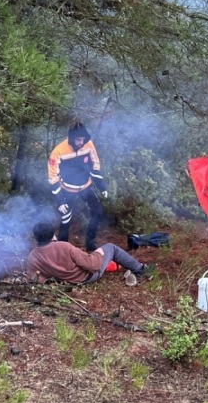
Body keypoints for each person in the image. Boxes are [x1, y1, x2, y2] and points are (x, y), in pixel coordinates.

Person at [27, 221, 155, 286]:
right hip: (86, 277)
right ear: (52, 235)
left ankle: (131, 268)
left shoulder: (33, 256)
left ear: (36, 237)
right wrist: (98, 254)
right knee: (111, 248)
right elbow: (92, 265)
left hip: (66, 282)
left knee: (99, 253)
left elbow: (36, 278)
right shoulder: (63, 246)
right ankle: (141, 269)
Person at [48, 122, 107, 252]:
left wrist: (101, 186)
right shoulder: (58, 151)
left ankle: (90, 243)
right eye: (79, 140)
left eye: (83, 139)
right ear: (72, 138)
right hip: (67, 190)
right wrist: (60, 201)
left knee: (97, 212)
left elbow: (95, 164)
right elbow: (53, 177)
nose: (81, 142)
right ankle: (63, 249)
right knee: (66, 218)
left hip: (86, 187)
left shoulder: (88, 144)